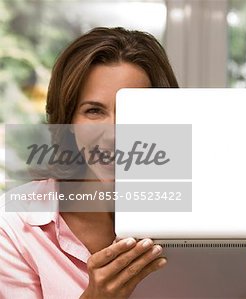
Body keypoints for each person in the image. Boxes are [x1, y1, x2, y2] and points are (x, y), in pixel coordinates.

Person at [0, 27, 179, 298]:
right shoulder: (15, 224)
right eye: (94, 111)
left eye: (135, 112)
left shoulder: (194, 217)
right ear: (68, 122)